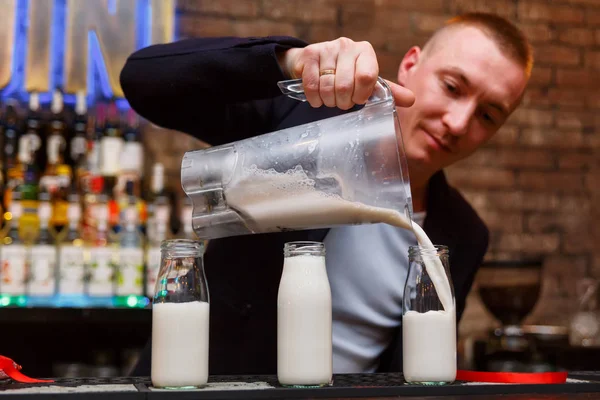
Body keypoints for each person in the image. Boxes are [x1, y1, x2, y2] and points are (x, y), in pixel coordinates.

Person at [120, 12, 533, 375]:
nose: (458, 123)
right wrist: (290, 61)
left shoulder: (463, 235)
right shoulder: (304, 123)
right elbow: (142, 80)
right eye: (453, 87)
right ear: (410, 65)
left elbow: (417, 363)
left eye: (487, 114)